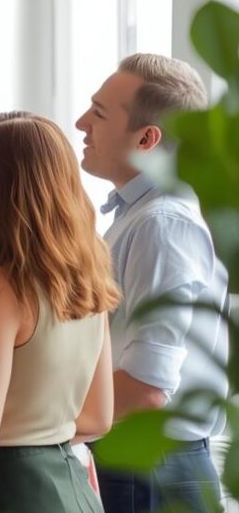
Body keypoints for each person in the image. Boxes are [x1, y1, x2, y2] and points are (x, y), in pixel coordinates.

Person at [0, 112, 118, 512]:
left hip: (9, 496)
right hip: (68, 489)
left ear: (4, 186)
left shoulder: (0, 287)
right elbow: (97, 419)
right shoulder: (87, 272)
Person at [75, 53, 229, 512]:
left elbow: (147, 388)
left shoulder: (161, 224)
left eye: (99, 113)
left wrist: (45, 425)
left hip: (152, 467)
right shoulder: (139, 217)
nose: (82, 123)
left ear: (146, 138)